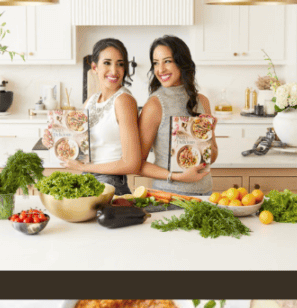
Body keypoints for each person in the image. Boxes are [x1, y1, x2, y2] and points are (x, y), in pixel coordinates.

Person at [56, 36, 142, 196]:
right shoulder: (91, 101)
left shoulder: (124, 101)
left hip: (111, 185)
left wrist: (84, 168)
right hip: (88, 180)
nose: (114, 71)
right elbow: (79, 149)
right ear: (94, 67)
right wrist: (54, 139)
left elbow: (132, 164)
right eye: (107, 63)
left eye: (120, 64)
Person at [137, 35, 217, 195]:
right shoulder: (155, 105)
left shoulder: (203, 101)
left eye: (167, 61)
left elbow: (212, 156)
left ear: (182, 61)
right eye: (155, 63)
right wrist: (177, 177)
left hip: (206, 194)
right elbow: (137, 164)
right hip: (169, 197)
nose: (160, 70)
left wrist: (207, 137)